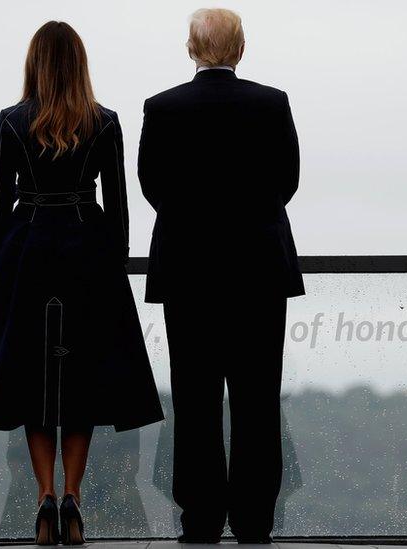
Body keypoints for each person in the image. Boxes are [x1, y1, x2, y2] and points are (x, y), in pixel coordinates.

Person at [0, 21, 164, 545]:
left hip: (27, 249)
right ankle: (73, 494)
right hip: (86, 249)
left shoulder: (11, 122)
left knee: (33, 378)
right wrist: (114, 256)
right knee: (83, 378)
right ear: (79, 64)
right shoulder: (106, 121)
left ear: (34, 63)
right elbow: (117, 204)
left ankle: (44, 496)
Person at [137, 7, 304, 544]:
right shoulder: (271, 103)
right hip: (258, 269)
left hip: (188, 271)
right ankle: (255, 518)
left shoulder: (162, 108)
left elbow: (152, 185)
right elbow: (287, 181)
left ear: (191, 47)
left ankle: (202, 517)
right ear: (240, 48)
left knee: (195, 398)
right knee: (257, 398)